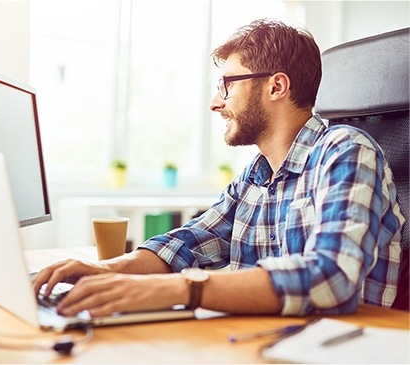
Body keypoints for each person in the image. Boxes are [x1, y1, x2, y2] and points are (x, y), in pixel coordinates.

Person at [33, 18, 405, 317]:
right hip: (260, 342)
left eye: (227, 85)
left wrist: (181, 288)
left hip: (338, 350)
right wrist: (110, 270)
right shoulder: (257, 174)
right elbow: (187, 243)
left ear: (277, 86)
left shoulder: (346, 151)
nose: (216, 102)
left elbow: (331, 279)